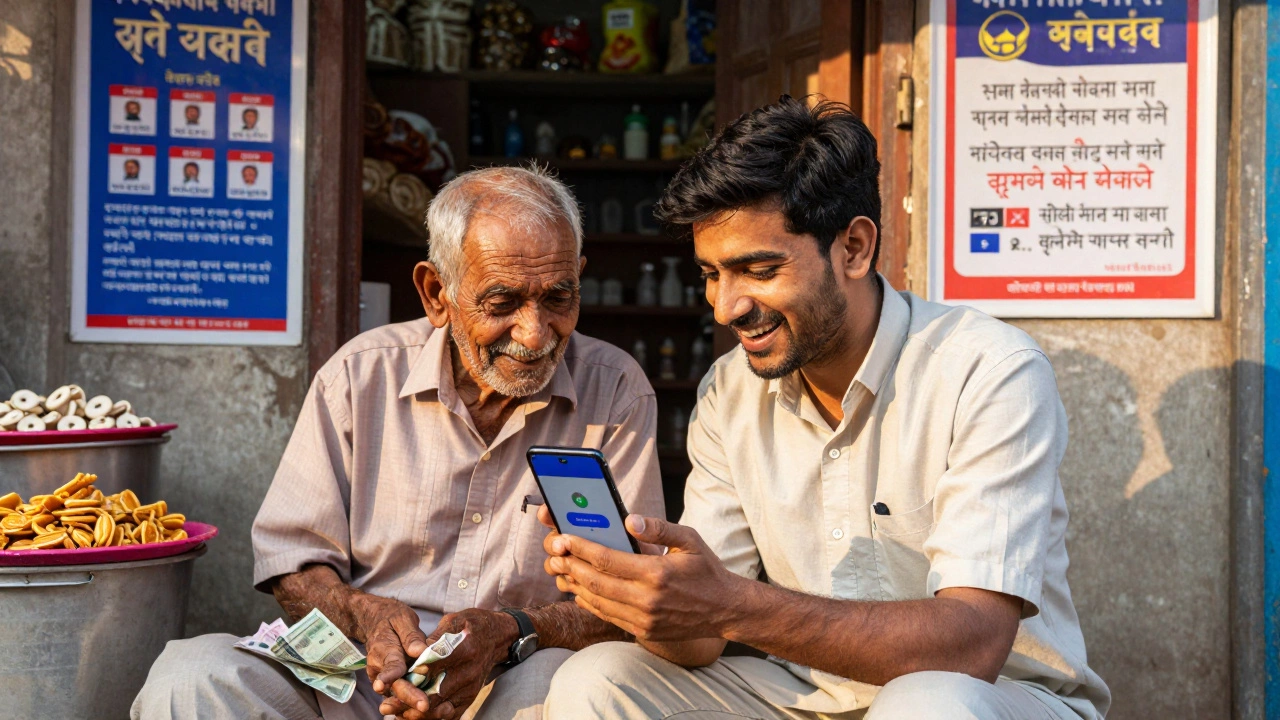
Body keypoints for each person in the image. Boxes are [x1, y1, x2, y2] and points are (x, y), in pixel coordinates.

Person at [540, 96, 1111, 720]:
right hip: (798, 696)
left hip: (989, 697)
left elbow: (971, 645)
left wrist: (728, 603)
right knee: (598, 679)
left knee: (928, 703)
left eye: (757, 269)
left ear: (855, 248)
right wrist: (640, 593)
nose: (725, 307)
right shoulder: (729, 391)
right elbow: (700, 640)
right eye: (710, 274)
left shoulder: (990, 371)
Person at [131, 165, 665, 720]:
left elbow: (639, 597)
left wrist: (513, 630)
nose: (535, 333)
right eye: (502, 303)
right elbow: (293, 566)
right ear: (437, 293)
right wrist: (366, 615)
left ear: (579, 278)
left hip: (515, 685)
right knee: (192, 676)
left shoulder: (616, 389)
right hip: (361, 676)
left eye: (558, 298)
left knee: (581, 681)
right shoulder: (360, 377)